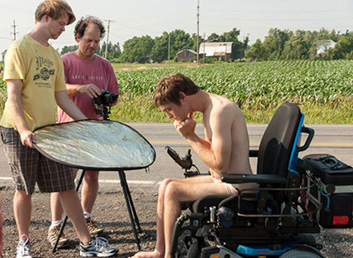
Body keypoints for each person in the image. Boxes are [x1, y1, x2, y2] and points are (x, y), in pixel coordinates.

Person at [0, 1, 118, 257]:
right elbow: (13, 95)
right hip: (18, 130)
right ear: (45, 17)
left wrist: (86, 123)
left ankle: (87, 244)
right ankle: (23, 243)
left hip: (48, 129)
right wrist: (22, 130)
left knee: (65, 184)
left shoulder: (52, 55)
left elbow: (61, 97)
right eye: (61, 23)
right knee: (24, 188)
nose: (64, 29)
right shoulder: (19, 48)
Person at [131, 73, 257, 258]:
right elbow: (216, 156)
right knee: (166, 184)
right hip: (223, 180)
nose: (168, 116)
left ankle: (168, 256)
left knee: (173, 190)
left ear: (182, 97)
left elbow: (220, 166)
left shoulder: (219, 112)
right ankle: (159, 251)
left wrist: (190, 137)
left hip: (238, 186)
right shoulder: (209, 109)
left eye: (169, 110)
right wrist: (193, 135)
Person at [48, 15, 119, 247]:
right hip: (68, 128)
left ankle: (86, 217)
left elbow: (114, 95)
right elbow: (55, 89)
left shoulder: (105, 65)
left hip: (95, 127)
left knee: (92, 175)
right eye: (88, 40)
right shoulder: (64, 61)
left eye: (97, 41)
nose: (93, 46)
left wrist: (107, 101)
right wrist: (80, 88)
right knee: (65, 179)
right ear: (77, 37)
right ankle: (56, 225)